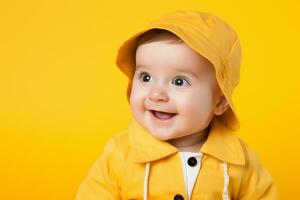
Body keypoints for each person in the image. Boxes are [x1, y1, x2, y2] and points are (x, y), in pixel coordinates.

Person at [75, 10, 277, 200]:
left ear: (220, 101)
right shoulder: (120, 154)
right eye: (145, 77)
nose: (156, 94)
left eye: (179, 82)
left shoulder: (240, 161)